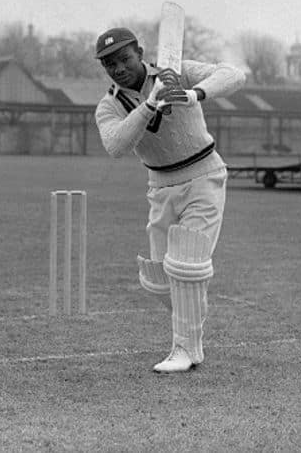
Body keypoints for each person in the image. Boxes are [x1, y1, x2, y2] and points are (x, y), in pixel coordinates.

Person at [94, 27, 246, 373]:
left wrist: (192, 94)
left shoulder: (176, 71)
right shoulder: (108, 106)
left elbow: (234, 75)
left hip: (204, 177)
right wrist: (151, 103)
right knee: (159, 278)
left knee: (186, 265)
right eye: (109, 64)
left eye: (123, 59)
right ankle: (192, 317)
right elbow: (116, 145)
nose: (118, 68)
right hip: (161, 188)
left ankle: (185, 350)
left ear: (140, 52)